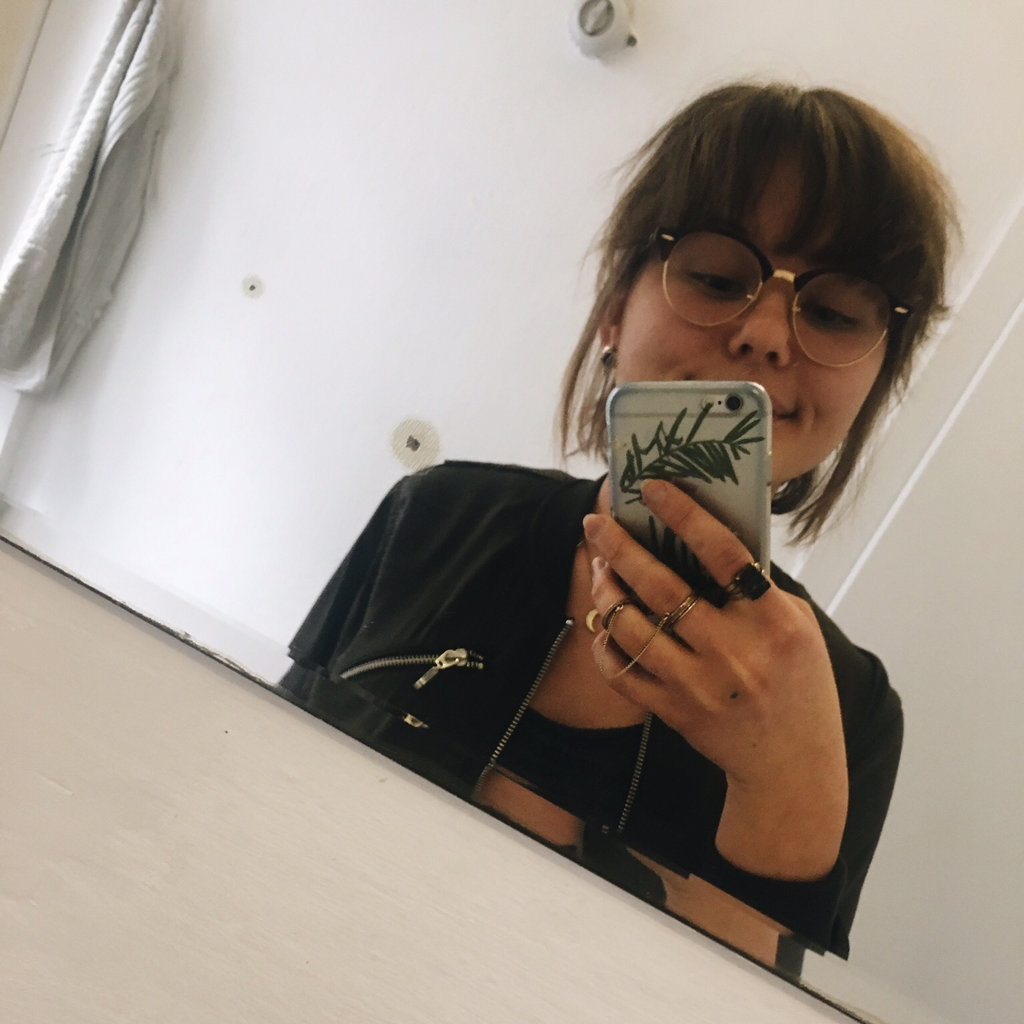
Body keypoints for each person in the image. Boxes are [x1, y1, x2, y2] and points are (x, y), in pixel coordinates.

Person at [279, 82, 957, 963]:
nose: (764, 334)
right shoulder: (433, 514)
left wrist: (781, 795)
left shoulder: (851, 712)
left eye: (832, 313)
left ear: (872, 387)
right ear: (614, 308)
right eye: (717, 276)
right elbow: (271, 777)